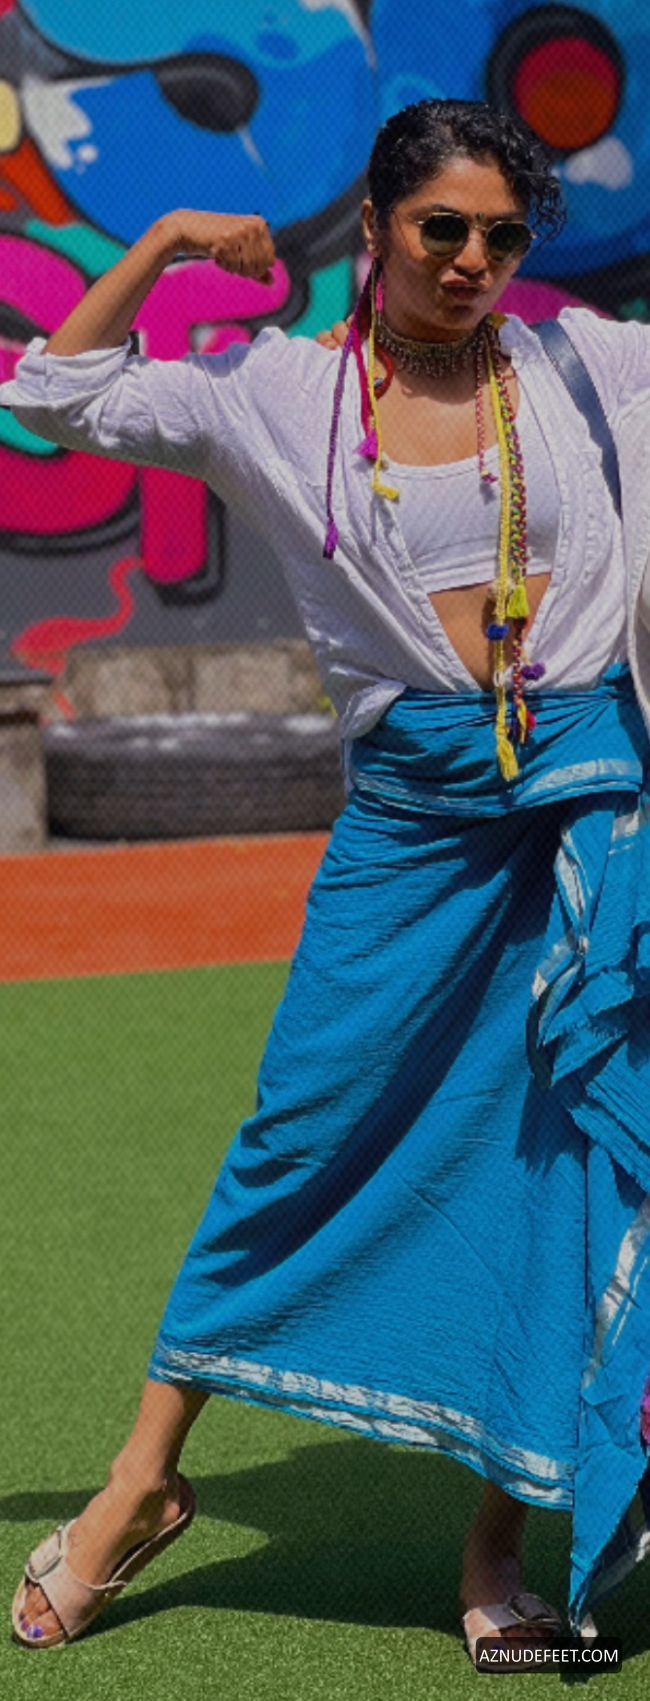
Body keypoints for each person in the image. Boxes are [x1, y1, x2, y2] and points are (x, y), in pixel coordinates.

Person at [3, 97, 650, 1665]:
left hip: (587, 808)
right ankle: (144, 1479)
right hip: (414, 822)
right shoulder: (275, 392)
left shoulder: (584, 366)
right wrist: (167, 239)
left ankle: (496, 1542)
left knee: (563, 1153)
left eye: (503, 236)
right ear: (374, 227)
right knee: (297, 1130)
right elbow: (54, 389)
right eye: (442, 228)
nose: (473, 260)